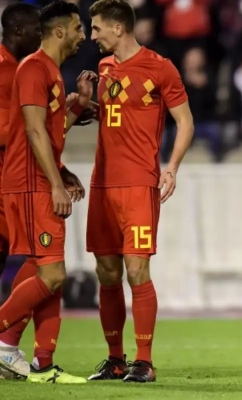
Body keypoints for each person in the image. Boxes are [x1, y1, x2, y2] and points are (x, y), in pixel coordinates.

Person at [85, 0, 194, 383]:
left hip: (138, 184)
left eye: (97, 28)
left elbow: (185, 122)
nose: (92, 35)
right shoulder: (103, 68)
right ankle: (115, 359)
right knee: (106, 272)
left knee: (136, 270)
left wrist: (172, 166)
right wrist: (86, 105)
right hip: (102, 184)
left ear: (118, 28)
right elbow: (115, 115)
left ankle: (144, 361)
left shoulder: (160, 67)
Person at [0, 0, 92, 384]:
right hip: (29, 182)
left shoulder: (50, 71)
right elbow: (33, 131)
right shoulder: (33, 68)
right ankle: (3, 342)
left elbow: (49, 133)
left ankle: (40, 361)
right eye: (78, 28)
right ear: (59, 31)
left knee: (45, 269)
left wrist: (77, 107)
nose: (83, 35)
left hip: (38, 180)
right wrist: (55, 183)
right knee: (52, 274)